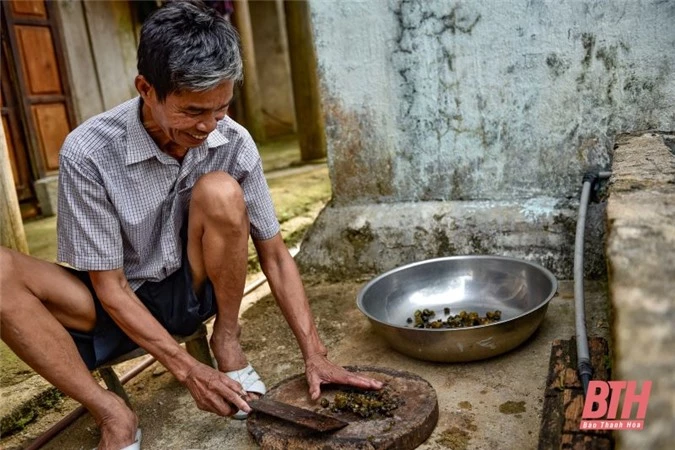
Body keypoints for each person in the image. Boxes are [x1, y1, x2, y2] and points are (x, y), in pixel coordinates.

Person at [0, 2, 382, 449]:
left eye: (220, 108)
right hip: (109, 298)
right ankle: (112, 412)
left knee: (220, 190)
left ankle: (227, 341)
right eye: (192, 110)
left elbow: (276, 255)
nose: (207, 125)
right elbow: (110, 286)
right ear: (146, 88)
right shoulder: (88, 152)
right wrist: (187, 370)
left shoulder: (233, 141)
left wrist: (316, 355)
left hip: (190, 287)